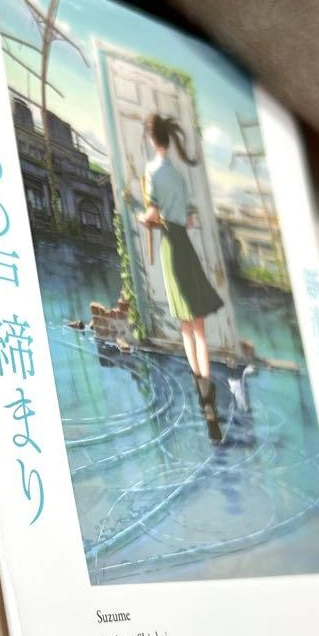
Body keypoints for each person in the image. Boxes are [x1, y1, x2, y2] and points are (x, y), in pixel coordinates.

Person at [136, 113, 225, 441]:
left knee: (186, 327)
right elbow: (188, 221)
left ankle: (202, 397)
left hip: (171, 248)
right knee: (198, 326)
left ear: (151, 139)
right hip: (185, 245)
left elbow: (152, 214)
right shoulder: (177, 175)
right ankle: (209, 401)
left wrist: (144, 218)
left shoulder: (151, 171)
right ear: (167, 138)